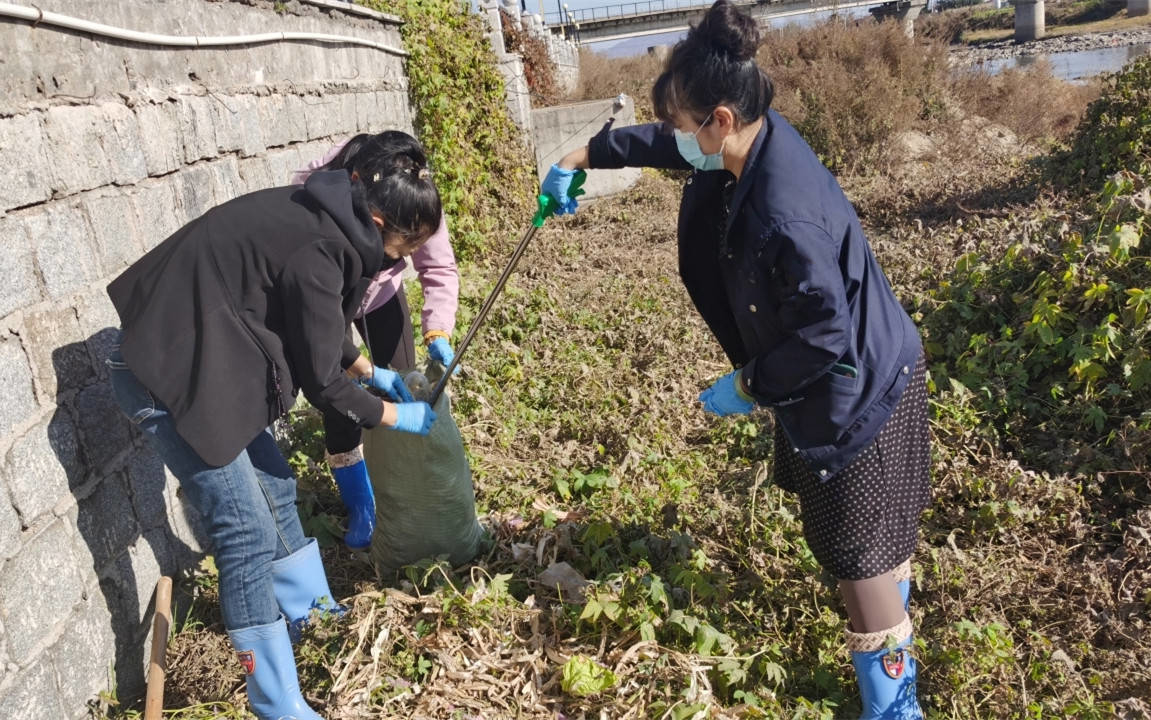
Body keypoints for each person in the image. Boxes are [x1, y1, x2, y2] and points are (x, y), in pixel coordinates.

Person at [540, 2, 929, 717]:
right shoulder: (749, 142)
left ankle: (894, 704)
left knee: (860, 555)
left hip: (858, 389)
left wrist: (750, 384)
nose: (676, 139)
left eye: (685, 125)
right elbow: (667, 144)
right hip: (851, 374)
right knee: (867, 543)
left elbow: (825, 336)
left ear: (718, 119)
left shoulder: (783, 210)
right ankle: (885, 638)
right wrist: (583, 155)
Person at [105, 131, 441, 720]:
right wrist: (394, 415)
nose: (404, 258)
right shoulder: (324, 246)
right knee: (245, 532)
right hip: (168, 374)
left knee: (277, 488)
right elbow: (323, 385)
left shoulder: (332, 221)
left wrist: (370, 368)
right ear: (380, 217)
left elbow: (322, 326)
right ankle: (274, 698)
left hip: (209, 361)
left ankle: (311, 613)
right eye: (404, 242)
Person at [290, 134, 460, 552]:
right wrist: (350, 369)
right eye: (405, 243)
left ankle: (399, 487)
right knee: (337, 398)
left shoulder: (417, 196)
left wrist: (438, 328)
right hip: (327, 297)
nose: (410, 251)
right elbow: (326, 372)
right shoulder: (318, 189)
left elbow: (438, 266)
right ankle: (361, 501)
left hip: (381, 298)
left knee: (400, 383)